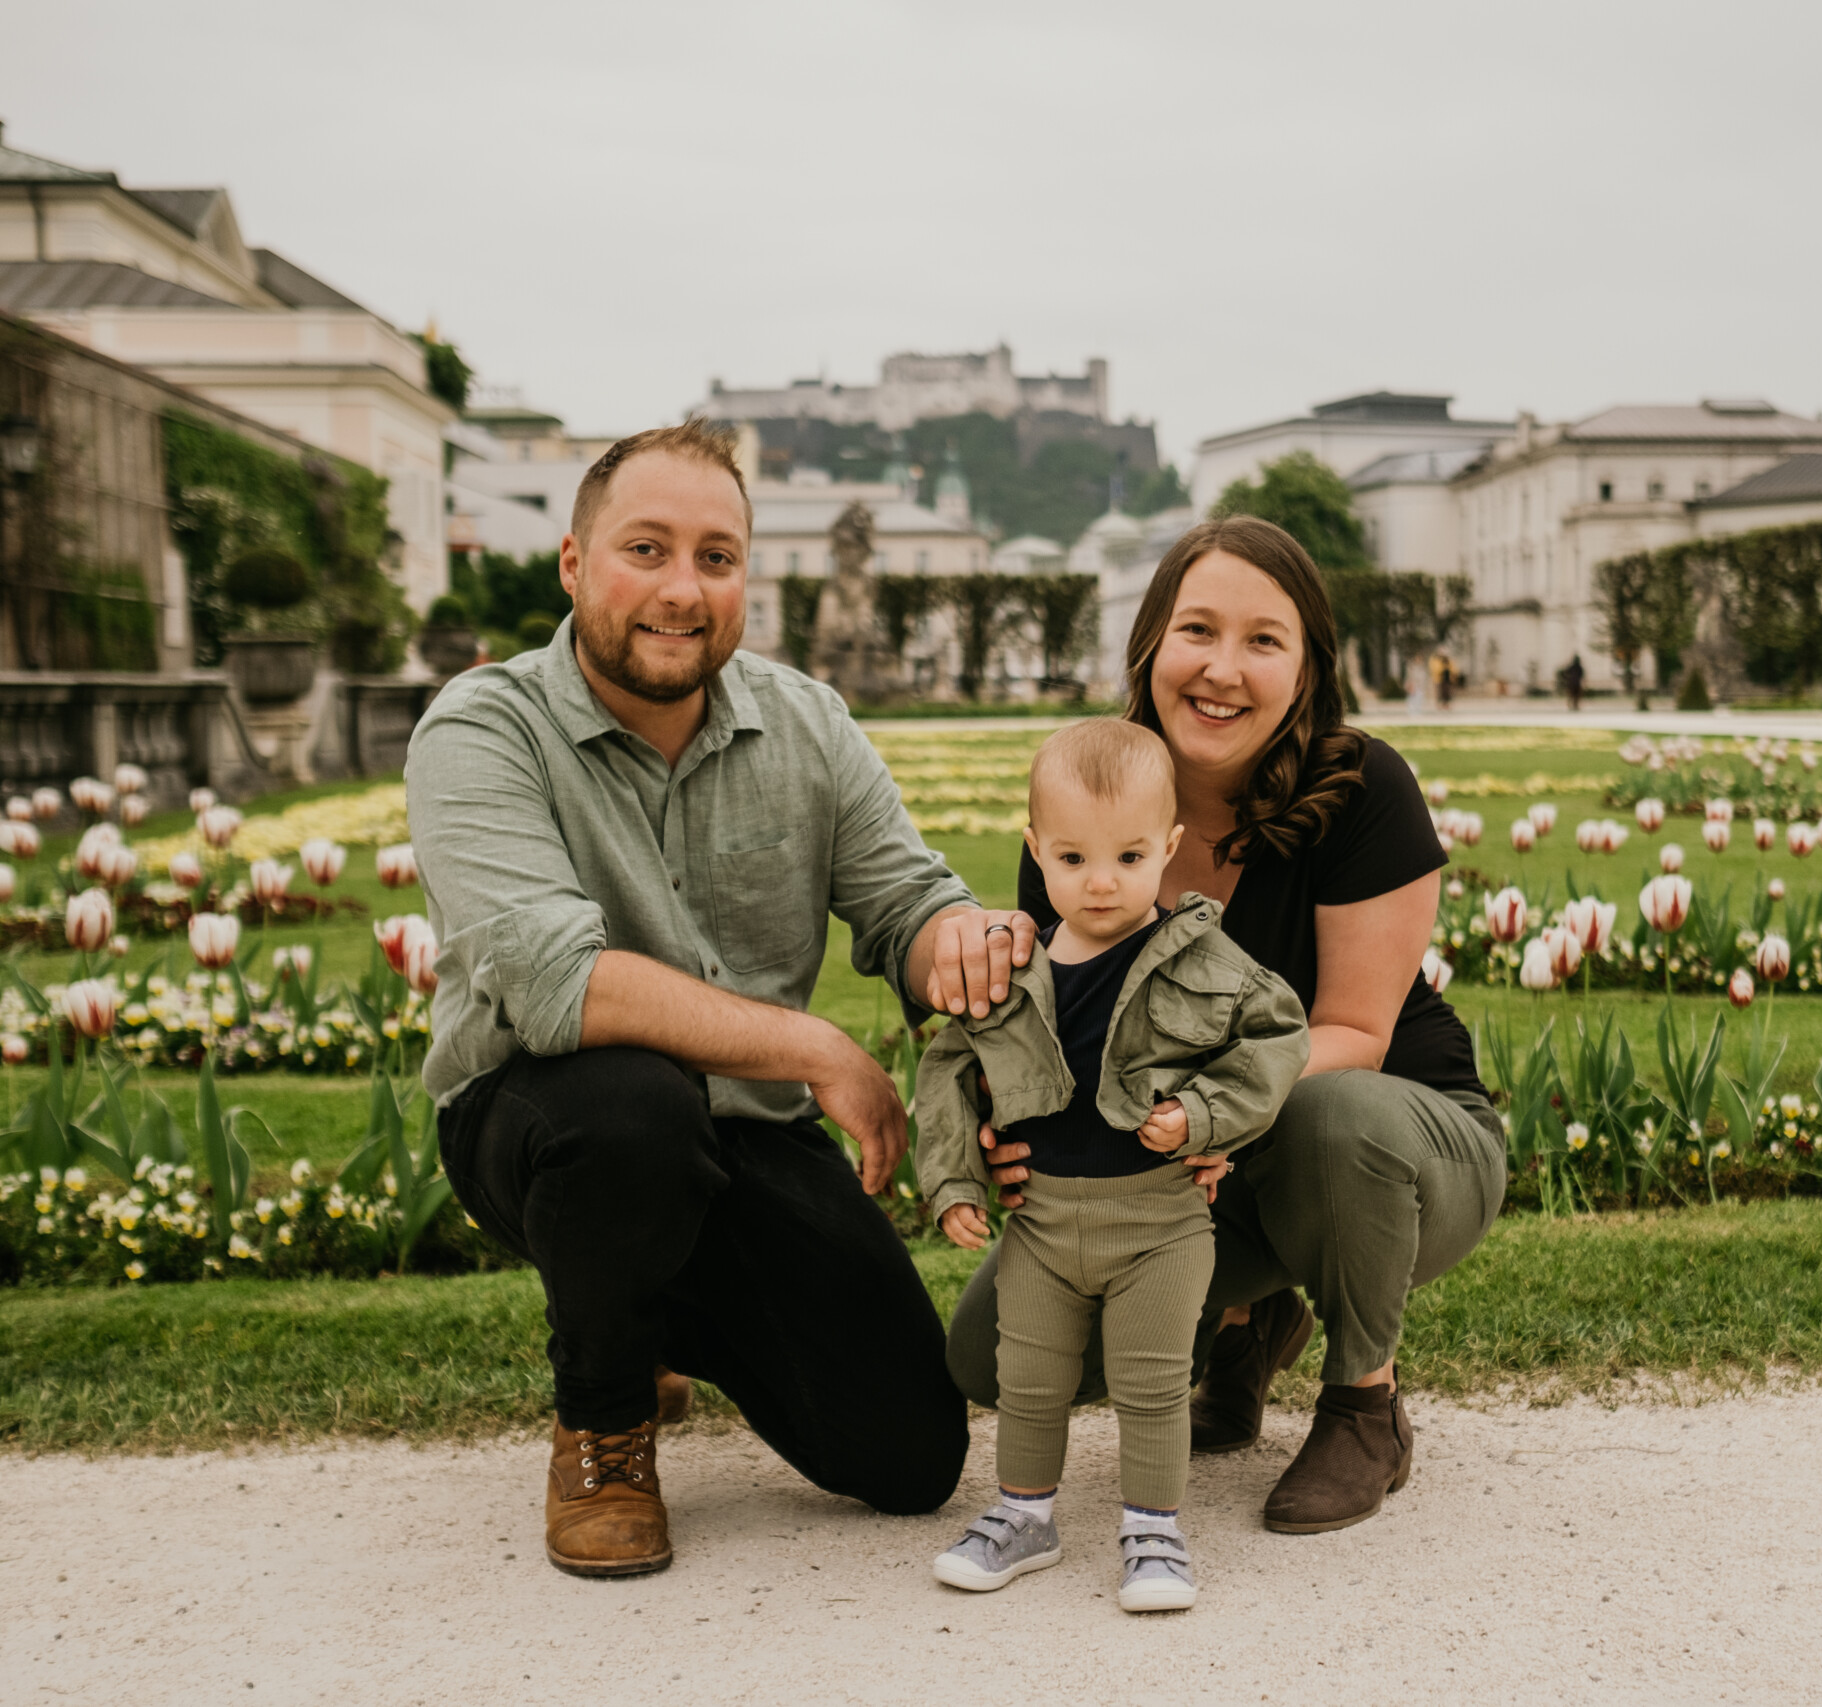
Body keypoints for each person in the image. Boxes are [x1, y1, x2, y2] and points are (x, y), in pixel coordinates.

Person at [407, 421, 1036, 1579]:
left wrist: (970, 947)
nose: (681, 590)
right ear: (573, 564)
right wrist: (809, 1044)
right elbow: (554, 980)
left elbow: (905, 900)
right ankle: (603, 1420)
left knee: (907, 1457)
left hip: (744, 1130)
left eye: (716, 557)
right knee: (629, 1109)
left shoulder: (805, 722)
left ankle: (646, 1303)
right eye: (644, 550)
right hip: (542, 1126)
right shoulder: (484, 727)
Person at [944, 515, 1508, 1536]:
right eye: (1197, 630)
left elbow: (1351, 1033)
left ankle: (1363, 1404)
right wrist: (1018, 1132)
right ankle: (1247, 1323)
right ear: (1151, 640)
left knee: (1334, 1115)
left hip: (1397, 1143)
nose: (1222, 668)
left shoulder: (1364, 791)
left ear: (1306, 668)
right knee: (987, 1350)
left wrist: (1203, 1113)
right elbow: (1069, 1031)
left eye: (1263, 640)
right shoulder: (1091, 801)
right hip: (1186, 1158)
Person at [917, 720, 1308, 1612]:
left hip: (1160, 1221)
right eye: (1074, 856)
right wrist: (952, 1181)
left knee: (1152, 1379)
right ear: (1034, 852)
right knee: (1030, 1375)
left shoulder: (1201, 956)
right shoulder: (1014, 970)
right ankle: (1025, 1515)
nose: (1103, 881)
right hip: (1045, 1223)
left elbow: (1279, 1036)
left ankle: (1154, 1529)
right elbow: (946, 1070)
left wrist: (1208, 1115)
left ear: (1169, 848)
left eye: (1131, 856)